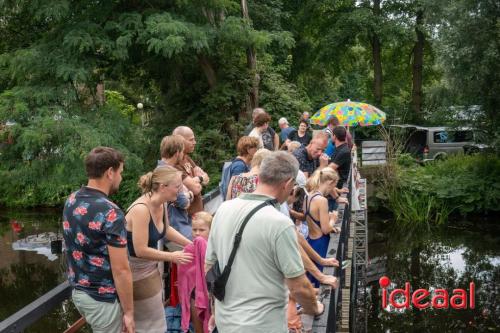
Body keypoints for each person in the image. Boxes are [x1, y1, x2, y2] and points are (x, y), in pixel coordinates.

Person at [206, 151, 323, 332]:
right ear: (287, 184)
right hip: (263, 325)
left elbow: (210, 268)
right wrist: (313, 307)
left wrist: (215, 310)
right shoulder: (279, 223)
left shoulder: (223, 209)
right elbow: (298, 285)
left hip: (226, 323)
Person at [62, 147, 134, 333]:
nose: (121, 177)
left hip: (79, 293)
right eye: (120, 172)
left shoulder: (71, 200)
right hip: (103, 299)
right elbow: (121, 270)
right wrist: (129, 313)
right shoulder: (111, 213)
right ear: (110, 172)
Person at [125, 166, 193, 333]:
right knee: (150, 325)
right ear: (163, 187)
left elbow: (166, 230)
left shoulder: (162, 203)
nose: (181, 191)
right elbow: (140, 250)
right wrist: (172, 257)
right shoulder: (141, 210)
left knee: (156, 320)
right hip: (136, 274)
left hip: (151, 270)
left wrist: (190, 244)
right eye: (178, 186)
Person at [303, 167, 345, 287]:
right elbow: (325, 229)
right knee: (322, 279)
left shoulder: (308, 197)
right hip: (321, 243)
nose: (333, 190)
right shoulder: (322, 200)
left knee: (312, 278)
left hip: (310, 241)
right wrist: (333, 219)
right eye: (334, 186)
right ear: (329, 183)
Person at [178, 211, 213, 333]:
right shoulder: (188, 250)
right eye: (194, 230)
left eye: (202, 230)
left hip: (212, 295)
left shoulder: (216, 249)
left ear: (211, 230)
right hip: (194, 295)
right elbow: (183, 276)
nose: (197, 233)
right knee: (198, 328)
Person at [159, 134, 194, 240]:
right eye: (182, 152)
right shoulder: (172, 174)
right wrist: (189, 194)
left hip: (167, 228)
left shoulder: (158, 170)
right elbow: (184, 203)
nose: (183, 155)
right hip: (176, 228)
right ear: (177, 153)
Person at [173, 126, 210, 215]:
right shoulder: (174, 164)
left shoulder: (187, 158)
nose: (195, 142)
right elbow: (196, 189)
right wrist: (200, 179)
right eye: (191, 140)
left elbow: (207, 179)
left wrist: (196, 180)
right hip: (187, 217)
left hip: (198, 213)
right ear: (180, 141)